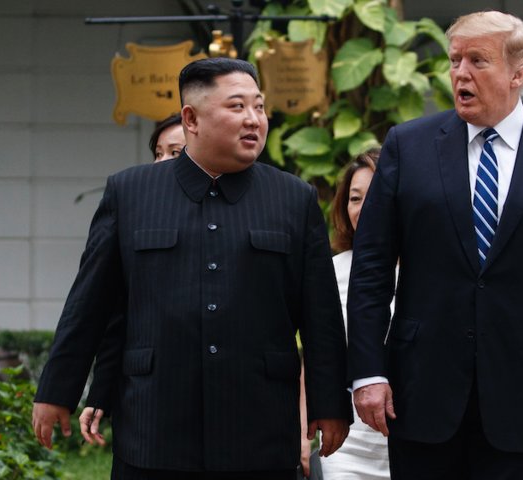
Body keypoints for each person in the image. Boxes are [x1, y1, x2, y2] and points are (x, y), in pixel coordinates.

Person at [32, 57, 351, 479]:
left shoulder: (293, 199)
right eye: (237, 107)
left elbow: (321, 316)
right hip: (154, 426)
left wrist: (330, 405)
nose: (254, 119)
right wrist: (57, 391)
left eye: (259, 106)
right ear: (191, 118)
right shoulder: (130, 194)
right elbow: (89, 303)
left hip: (259, 428)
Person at [347, 10, 523, 480]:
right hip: (422, 394)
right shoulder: (407, 147)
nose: (461, 74)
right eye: (455, 61)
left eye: (478, 60)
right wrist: (369, 373)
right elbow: (370, 267)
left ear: (519, 73)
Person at [76, 112, 188, 448]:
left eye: (176, 153)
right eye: (158, 154)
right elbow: (116, 313)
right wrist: (100, 394)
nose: (163, 163)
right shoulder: (136, 214)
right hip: (150, 398)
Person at [318, 149, 391, 480]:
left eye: (373, 196)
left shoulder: (430, 271)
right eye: (355, 198)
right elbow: (316, 357)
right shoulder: (331, 272)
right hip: (348, 442)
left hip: (417, 437)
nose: (362, 209)